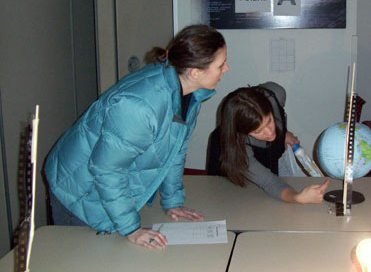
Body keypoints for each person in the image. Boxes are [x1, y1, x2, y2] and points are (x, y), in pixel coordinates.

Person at [44, 25, 229, 249]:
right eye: (220, 65)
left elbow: (175, 151)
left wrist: (172, 201)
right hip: (78, 189)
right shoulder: (140, 107)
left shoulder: (191, 94)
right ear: (195, 72)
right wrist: (131, 228)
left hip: (103, 184)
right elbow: (107, 169)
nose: (226, 69)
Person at [207, 82, 330, 204]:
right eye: (258, 131)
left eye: (269, 121)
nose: (270, 132)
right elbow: (269, 182)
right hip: (228, 179)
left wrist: (283, 132)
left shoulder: (276, 93)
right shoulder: (238, 146)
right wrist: (298, 198)